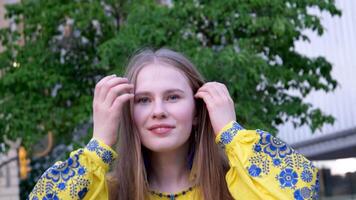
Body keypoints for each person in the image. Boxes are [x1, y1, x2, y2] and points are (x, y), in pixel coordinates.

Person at [29, 48, 319, 200]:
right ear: (128, 114)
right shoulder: (109, 192)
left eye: (173, 97)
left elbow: (300, 193)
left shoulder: (237, 189)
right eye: (143, 100)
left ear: (196, 111)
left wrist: (232, 132)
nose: (158, 111)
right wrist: (99, 145)